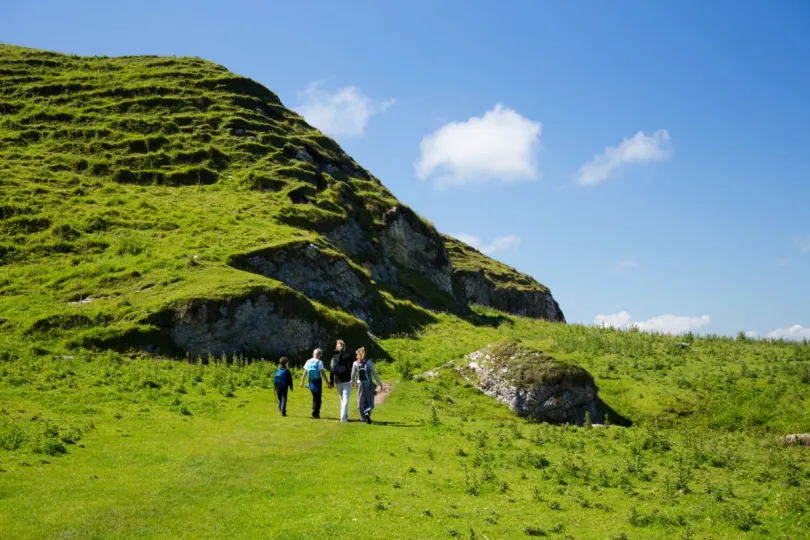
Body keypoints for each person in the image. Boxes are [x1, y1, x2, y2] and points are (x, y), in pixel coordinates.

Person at [351, 347, 382, 424]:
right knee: (370, 400)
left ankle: (363, 418)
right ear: (364, 354)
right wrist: (379, 383)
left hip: (359, 384)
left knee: (361, 401)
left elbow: (353, 375)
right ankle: (367, 411)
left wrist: (352, 382)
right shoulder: (368, 362)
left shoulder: (355, 363)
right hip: (368, 384)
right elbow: (374, 373)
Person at [329, 339, 354, 423]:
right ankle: (343, 418)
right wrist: (353, 379)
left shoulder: (333, 357)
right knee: (345, 398)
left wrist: (331, 382)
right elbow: (351, 369)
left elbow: (332, 370)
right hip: (346, 379)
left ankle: (344, 416)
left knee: (342, 399)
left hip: (337, 380)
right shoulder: (348, 356)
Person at [301, 348, 327, 419]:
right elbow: (323, 373)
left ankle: (314, 411)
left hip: (311, 381)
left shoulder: (308, 361)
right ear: (320, 355)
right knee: (318, 398)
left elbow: (305, 373)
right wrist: (327, 382)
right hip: (317, 381)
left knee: (315, 397)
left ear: (313, 353)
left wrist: (302, 382)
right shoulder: (319, 362)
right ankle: (315, 413)